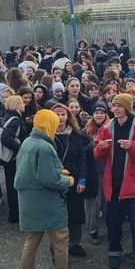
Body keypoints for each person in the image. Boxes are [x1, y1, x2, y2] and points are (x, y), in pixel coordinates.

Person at [15, 109, 89, 269]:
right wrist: (68, 180)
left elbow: (33, 171)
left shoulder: (28, 141)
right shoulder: (45, 146)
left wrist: (57, 172)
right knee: (61, 240)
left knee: (31, 242)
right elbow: (51, 180)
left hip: (29, 201)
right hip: (46, 202)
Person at [93, 94, 135, 269]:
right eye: (114, 105)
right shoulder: (107, 126)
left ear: (127, 108)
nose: (116, 109)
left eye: (119, 106)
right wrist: (100, 148)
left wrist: (133, 146)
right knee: (112, 223)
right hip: (113, 186)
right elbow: (97, 154)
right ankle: (114, 252)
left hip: (134, 187)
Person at [52, 103, 88, 258]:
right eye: (57, 114)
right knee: (57, 217)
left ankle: (73, 243)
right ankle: (56, 249)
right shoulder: (47, 134)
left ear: (68, 116)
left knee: (75, 214)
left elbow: (82, 158)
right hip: (55, 180)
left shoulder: (75, 134)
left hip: (73, 179)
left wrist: (82, 179)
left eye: (63, 114)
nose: (60, 118)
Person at [82, 102, 110, 246]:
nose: (99, 115)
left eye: (102, 112)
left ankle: (110, 227)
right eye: (96, 112)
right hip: (92, 172)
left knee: (108, 202)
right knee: (92, 203)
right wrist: (94, 146)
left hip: (108, 170)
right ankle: (93, 230)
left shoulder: (111, 128)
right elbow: (80, 152)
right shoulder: (85, 131)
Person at [0, 95, 30, 223]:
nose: (24, 104)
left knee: (11, 186)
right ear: (16, 105)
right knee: (15, 186)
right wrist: (21, 148)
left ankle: (14, 214)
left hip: (9, 159)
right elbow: (5, 138)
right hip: (14, 159)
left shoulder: (7, 117)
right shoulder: (15, 120)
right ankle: (16, 214)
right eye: (21, 102)